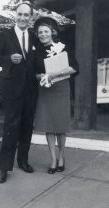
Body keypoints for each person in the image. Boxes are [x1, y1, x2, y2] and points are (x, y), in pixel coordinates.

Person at [0, 2, 38, 183]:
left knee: (27, 125)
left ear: (31, 17)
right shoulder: (4, 36)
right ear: (15, 15)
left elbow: (38, 61)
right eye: (20, 14)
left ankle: (23, 161)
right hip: (12, 88)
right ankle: (4, 168)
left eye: (27, 15)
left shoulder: (34, 37)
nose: (23, 18)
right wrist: (9, 59)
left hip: (31, 89)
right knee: (11, 126)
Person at [33, 17, 79, 174]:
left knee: (60, 126)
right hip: (46, 90)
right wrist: (42, 77)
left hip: (61, 89)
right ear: (37, 34)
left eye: (45, 31)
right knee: (49, 126)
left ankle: (61, 157)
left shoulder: (63, 47)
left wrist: (55, 74)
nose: (43, 34)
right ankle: (53, 159)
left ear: (52, 32)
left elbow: (75, 68)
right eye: (40, 32)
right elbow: (34, 73)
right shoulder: (36, 51)